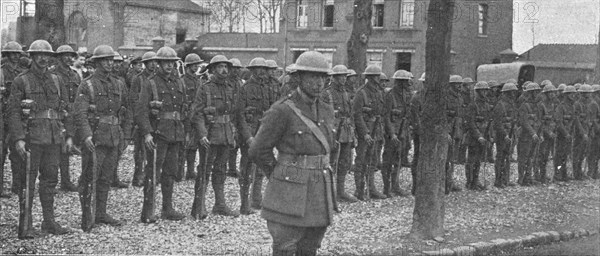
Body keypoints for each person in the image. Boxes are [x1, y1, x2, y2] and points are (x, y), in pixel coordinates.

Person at [248, 51, 338, 256]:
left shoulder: (326, 109)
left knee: (310, 246)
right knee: (286, 246)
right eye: (313, 77)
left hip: (318, 189)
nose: (319, 83)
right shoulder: (282, 110)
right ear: (299, 77)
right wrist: (281, 175)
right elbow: (257, 150)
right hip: (289, 191)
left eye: (323, 77)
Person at [8, 40, 71, 238]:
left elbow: (67, 108)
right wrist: (18, 138)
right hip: (31, 139)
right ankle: (26, 225)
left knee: (50, 180)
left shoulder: (57, 80)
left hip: (53, 138)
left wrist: (68, 135)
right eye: (39, 55)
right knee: (28, 181)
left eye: (47, 56)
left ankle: (49, 222)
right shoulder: (22, 80)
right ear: (32, 57)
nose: (43, 59)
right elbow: (13, 112)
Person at [74, 45, 131, 231]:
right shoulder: (87, 84)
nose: (109, 63)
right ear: (97, 62)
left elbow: (127, 110)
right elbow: (80, 113)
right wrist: (86, 135)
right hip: (96, 137)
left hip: (114, 136)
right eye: (105, 60)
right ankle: (87, 214)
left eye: (111, 60)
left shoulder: (119, 84)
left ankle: (101, 212)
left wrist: (126, 135)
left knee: (106, 177)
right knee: (90, 176)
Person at [136, 46, 188, 222]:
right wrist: (147, 134)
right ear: (158, 64)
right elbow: (141, 111)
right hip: (158, 134)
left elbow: (184, 109)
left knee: (170, 172)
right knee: (153, 172)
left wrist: (185, 131)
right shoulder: (150, 83)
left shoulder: (179, 83)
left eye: (172, 63)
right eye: (166, 63)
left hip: (175, 133)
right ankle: (148, 211)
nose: (169, 66)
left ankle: (167, 208)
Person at [190, 55, 240, 218]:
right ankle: (199, 206)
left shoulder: (230, 88)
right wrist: (202, 134)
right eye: (220, 67)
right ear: (212, 70)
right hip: (210, 134)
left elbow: (233, 113)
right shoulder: (205, 88)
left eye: (226, 67)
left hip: (225, 134)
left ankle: (219, 204)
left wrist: (233, 132)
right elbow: (196, 114)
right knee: (204, 169)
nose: (224, 70)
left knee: (221, 170)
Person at [237, 57, 272, 214]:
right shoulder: (245, 89)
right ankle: (244, 204)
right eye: (258, 68)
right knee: (246, 168)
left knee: (260, 167)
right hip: (250, 132)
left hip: (263, 132)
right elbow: (239, 116)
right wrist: (247, 136)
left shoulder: (267, 88)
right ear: (252, 70)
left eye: (264, 69)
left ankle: (256, 200)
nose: (262, 72)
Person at [323, 64, 359, 202]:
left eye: (345, 76)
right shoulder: (327, 93)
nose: (344, 79)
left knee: (345, 161)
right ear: (334, 77)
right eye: (341, 76)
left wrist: (353, 131)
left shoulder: (345, 92)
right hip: (333, 131)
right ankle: (328, 193)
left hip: (345, 129)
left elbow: (351, 114)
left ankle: (341, 191)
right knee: (331, 162)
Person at [353, 65, 386, 200]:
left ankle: (371, 188)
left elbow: (380, 113)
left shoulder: (378, 93)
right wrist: (365, 133)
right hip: (365, 132)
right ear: (371, 78)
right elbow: (357, 115)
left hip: (376, 129)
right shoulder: (361, 93)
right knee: (361, 160)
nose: (379, 79)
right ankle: (359, 190)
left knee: (373, 160)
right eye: (377, 77)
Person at [52, 45, 81, 192]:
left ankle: (65, 180)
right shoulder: (52, 73)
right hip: (57, 113)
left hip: (71, 114)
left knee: (67, 147)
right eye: (65, 55)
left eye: (71, 55)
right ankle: (51, 181)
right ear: (59, 57)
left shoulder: (75, 75)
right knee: (53, 148)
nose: (69, 58)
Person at [382, 70, 413, 197]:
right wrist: (392, 133)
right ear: (400, 82)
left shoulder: (406, 95)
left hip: (403, 132)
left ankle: (395, 186)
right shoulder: (390, 95)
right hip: (393, 133)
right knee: (388, 160)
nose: (409, 83)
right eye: (406, 81)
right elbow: (386, 116)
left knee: (398, 159)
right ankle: (386, 187)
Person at [128, 51, 158, 187]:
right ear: (145, 64)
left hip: (156, 119)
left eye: (155, 61)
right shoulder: (138, 79)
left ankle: (151, 174)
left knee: (155, 148)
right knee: (140, 150)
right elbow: (133, 100)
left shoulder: (158, 78)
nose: (153, 64)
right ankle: (138, 175)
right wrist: (138, 118)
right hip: (141, 118)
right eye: (150, 62)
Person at [1, 41, 25, 197]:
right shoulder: (1, 73)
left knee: (18, 151)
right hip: (2, 116)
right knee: (1, 152)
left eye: (17, 54)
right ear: (7, 55)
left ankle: (17, 185)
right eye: (12, 54)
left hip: (17, 115)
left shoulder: (23, 73)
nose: (15, 57)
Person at [177, 53, 203, 182]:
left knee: (193, 146)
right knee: (183, 144)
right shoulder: (182, 80)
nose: (197, 67)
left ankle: (190, 171)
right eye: (194, 65)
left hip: (196, 115)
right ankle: (179, 171)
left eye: (197, 64)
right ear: (188, 66)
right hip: (185, 116)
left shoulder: (198, 80)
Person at [465, 81, 493, 191]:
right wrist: (478, 136)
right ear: (478, 91)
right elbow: (471, 122)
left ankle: (475, 181)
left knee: (478, 160)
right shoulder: (473, 105)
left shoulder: (486, 104)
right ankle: (470, 182)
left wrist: (489, 135)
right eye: (483, 90)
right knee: (471, 161)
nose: (485, 92)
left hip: (483, 135)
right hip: (474, 136)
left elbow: (488, 121)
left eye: (486, 90)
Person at [492, 82, 518, 188]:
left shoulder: (512, 104)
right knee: (500, 157)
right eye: (512, 92)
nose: (513, 94)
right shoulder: (500, 105)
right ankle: (498, 181)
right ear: (507, 93)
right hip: (502, 135)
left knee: (507, 157)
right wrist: (505, 135)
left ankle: (506, 179)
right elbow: (497, 123)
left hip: (510, 133)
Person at [517, 82, 543, 186]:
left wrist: (539, 134)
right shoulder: (524, 105)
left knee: (531, 158)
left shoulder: (538, 106)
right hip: (525, 136)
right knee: (523, 158)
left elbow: (540, 121)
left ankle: (528, 178)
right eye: (535, 92)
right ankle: (521, 179)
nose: (537, 94)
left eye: (537, 92)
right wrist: (533, 133)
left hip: (535, 135)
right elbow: (524, 122)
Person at [445, 75, 465, 193]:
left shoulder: (459, 98)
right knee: (446, 159)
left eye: (460, 84)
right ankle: (445, 183)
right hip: (448, 130)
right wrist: (446, 133)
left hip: (457, 130)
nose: (460, 86)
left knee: (453, 158)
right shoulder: (446, 97)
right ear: (452, 85)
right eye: (457, 84)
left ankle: (450, 182)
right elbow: (444, 116)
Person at [536, 84, 558, 184]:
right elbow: (539, 121)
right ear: (546, 94)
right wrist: (547, 132)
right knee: (541, 155)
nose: (552, 94)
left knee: (546, 156)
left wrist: (552, 131)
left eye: (553, 92)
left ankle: (543, 175)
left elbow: (553, 120)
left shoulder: (552, 105)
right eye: (550, 92)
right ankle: (540, 175)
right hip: (542, 133)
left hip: (550, 133)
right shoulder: (541, 105)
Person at [226, 58, 244, 179]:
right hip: (228, 115)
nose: (236, 71)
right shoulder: (226, 82)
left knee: (236, 143)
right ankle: (226, 167)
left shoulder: (240, 83)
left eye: (238, 69)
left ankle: (232, 168)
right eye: (234, 69)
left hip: (237, 115)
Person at [554, 86, 577, 182]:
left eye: (573, 93)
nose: (573, 95)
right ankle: (558, 174)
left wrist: (570, 132)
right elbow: (559, 122)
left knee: (565, 155)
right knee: (559, 156)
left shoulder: (572, 106)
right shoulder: (561, 107)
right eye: (571, 94)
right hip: (561, 135)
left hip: (569, 134)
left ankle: (564, 174)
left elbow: (573, 120)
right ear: (566, 95)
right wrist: (565, 133)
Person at [572, 84, 593, 180]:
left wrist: (589, 130)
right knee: (577, 153)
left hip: (586, 131)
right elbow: (576, 120)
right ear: (582, 94)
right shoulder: (577, 104)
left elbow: (589, 119)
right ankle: (576, 173)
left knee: (583, 153)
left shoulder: (588, 105)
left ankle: (580, 172)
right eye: (586, 94)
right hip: (579, 133)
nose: (588, 96)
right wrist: (582, 132)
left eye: (589, 94)